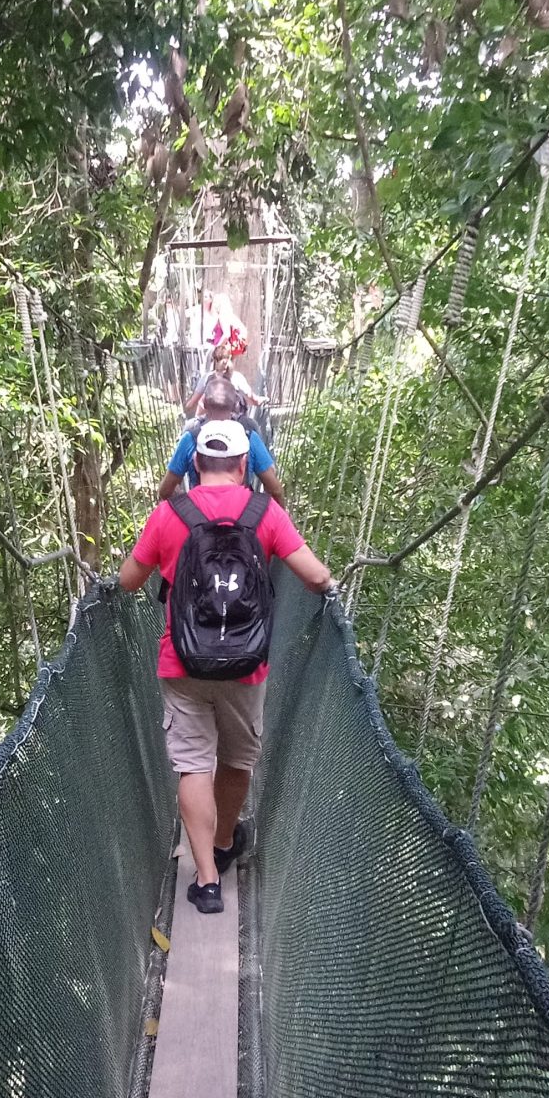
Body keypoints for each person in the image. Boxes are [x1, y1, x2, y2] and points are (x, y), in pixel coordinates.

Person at [117, 417, 333, 915]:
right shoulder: (266, 512)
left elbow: (129, 581)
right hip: (246, 663)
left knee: (192, 762)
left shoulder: (171, 512)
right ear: (243, 465)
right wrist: (333, 589)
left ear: (194, 463)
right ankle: (222, 843)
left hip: (183, 661)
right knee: (238, 758)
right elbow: (314, 575)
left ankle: (207, 882)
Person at [159, 374, 284, 505]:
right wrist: (266, 513)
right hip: (243, 518)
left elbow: (165, 490)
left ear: (204, 403)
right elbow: (275, 490)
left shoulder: (191, 435)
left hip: (198, 518)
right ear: (236, 403)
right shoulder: (248, 433)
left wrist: (188, 505)